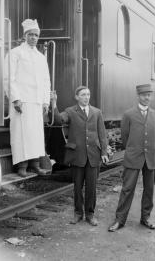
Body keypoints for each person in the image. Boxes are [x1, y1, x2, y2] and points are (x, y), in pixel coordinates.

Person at [51, 86, 109, 226]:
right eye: (83, 95)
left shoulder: (97, 112)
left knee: (92, 187)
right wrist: (54, 103)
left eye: (88, 94)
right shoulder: (70, 111)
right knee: (77, 187)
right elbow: (59, 120)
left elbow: (102, 135)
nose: (86, 97)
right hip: (77, 155)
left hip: (93, 156)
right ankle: (78, 213)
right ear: (77, 97)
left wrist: (104, 153)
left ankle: (90, 214)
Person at [108, 84, 155, 232]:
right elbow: (125, 137)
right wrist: (133, 149)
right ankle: (120, 220)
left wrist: (150, 150)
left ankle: (146, 218)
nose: (147, 97)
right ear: (138, 96)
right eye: (144, 95)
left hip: (151, 158)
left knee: (149, 189)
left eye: (149, 95)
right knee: (127, 189)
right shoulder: (128, 114)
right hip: (133, 157)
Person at [5, 19, 51, 177]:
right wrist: (15, 98)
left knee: (36, 135)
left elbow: (46, 80)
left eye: (36, 35)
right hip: (21, 101)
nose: (33, 38)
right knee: (21, 134)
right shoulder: (15, 53)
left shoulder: (40, 57)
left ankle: (35, 165)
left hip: (37, 102)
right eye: (31, 34)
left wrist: (46, 101)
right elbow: (8, 77)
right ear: (25, 35)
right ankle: (22, 167)